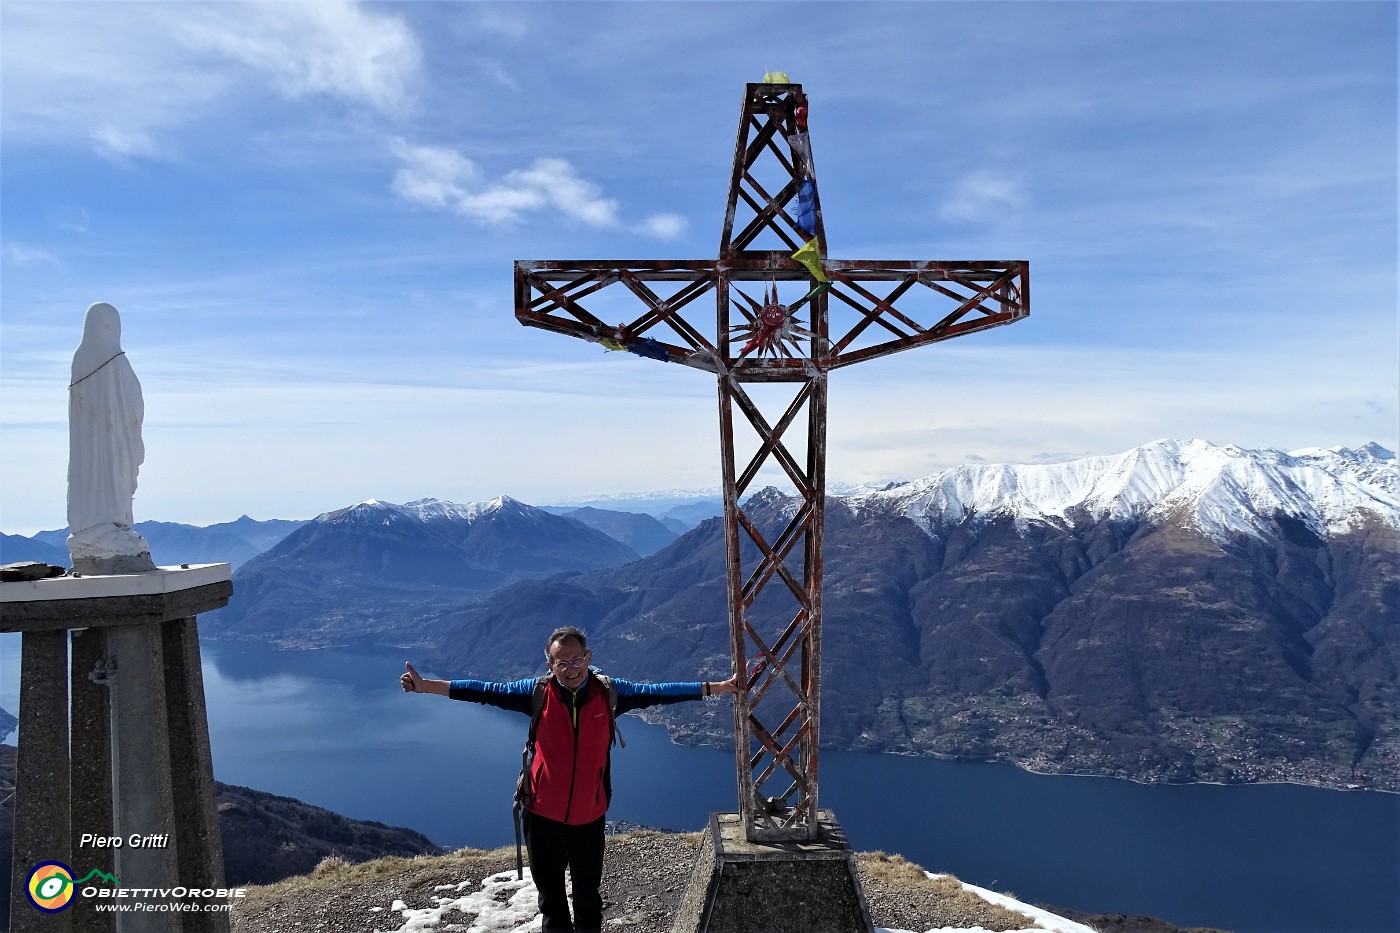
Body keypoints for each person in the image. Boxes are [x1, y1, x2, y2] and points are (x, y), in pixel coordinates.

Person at [401, 626, 737, 933]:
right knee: (552, 903)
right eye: (561, 663)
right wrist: (426, 686)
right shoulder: (536, 694)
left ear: (589, 658)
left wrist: (717, 687)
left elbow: (659, 692)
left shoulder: (609, 694)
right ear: (550, 666)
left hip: (588, 819)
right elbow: (484, 691)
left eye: (577, 659)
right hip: (541, 815)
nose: (571, 668)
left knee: (588, 901)